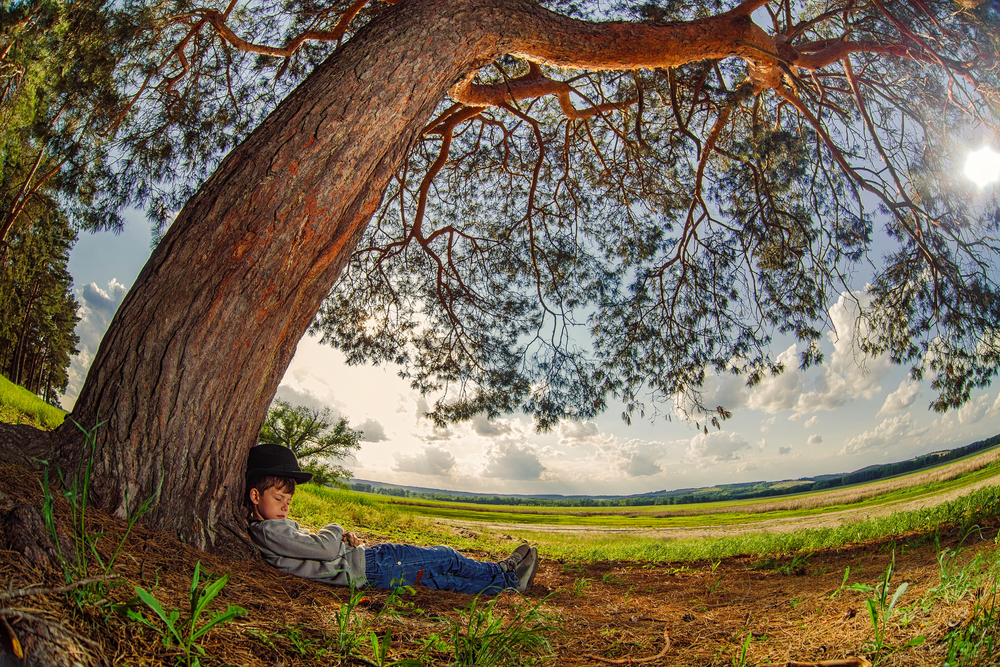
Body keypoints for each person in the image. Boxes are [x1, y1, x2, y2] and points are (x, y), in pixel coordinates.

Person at [245, 443, 539, 594]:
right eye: (278, 498)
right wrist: (336, 528)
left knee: (441, 579)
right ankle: (506, 576)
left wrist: (338, 541)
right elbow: (323, 548)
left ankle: (506, 577)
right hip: (371, 565)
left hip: (367, 568)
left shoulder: (271, 529)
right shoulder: (270, 531)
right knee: (445, 557)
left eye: (288, 500)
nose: (285, 507)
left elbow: (318, 549)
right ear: (256, 496)